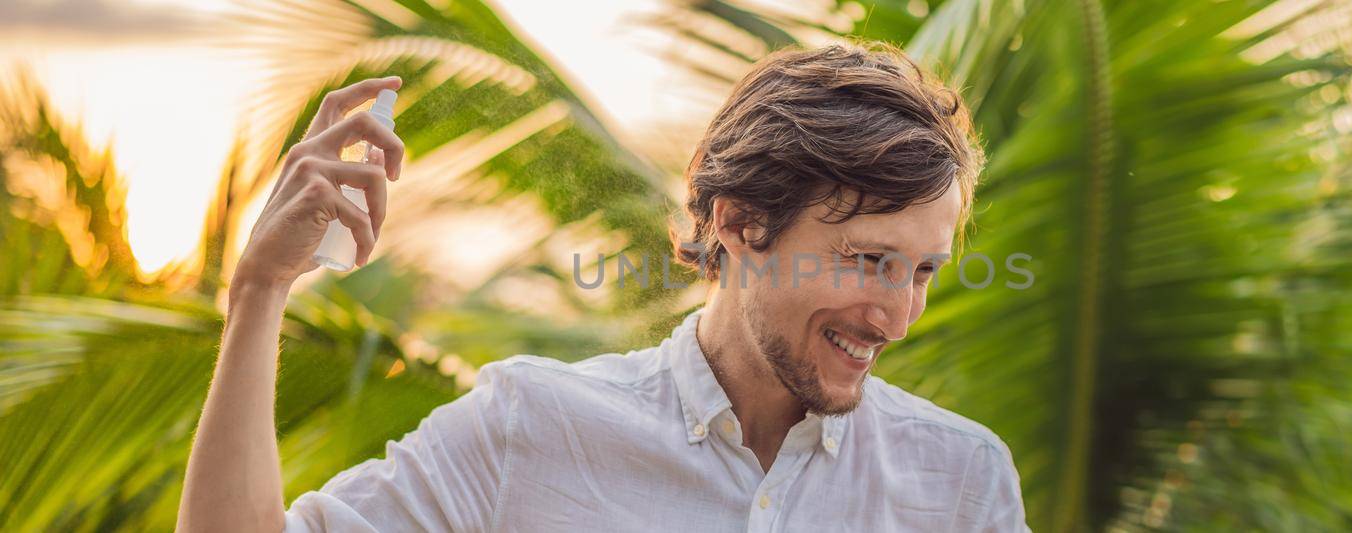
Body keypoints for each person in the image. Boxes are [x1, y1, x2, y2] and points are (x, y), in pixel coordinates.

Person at [178, 42, 1028, 532]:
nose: (897, 315)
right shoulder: (533, 429)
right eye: (868, 261)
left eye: (921, 272)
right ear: (738, 224)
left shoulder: (961, 483)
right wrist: (260, 290)